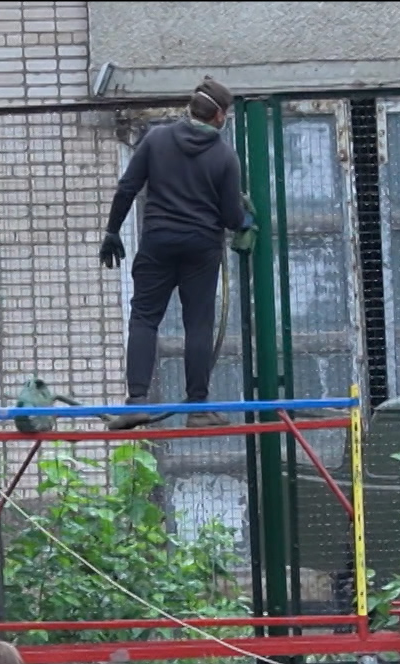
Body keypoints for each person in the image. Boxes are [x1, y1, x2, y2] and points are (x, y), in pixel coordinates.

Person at [98, 75, 255, 431]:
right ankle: (198, 407)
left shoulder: (156, 139)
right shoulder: (224, 157)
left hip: (158, 240)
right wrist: (246, 216)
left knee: (144, 318)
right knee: (197, 324)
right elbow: (232, 218)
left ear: (191, 108)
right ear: (219, 116)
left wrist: (112, 230)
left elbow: (128, 187)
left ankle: (136, 402)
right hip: (201, 247)